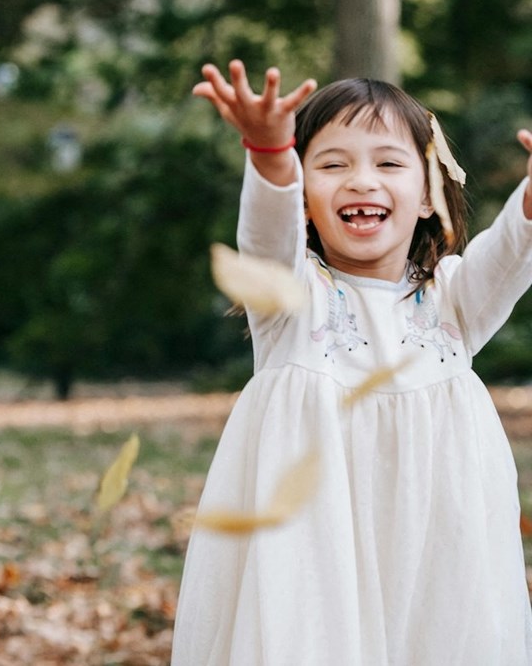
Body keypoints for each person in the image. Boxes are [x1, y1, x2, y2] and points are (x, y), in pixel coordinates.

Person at [172, 59, 532, 665]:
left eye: (389, 163)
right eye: (333, 164)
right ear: (306, 201)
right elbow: (265, 233)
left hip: (435, 555)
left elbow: (510, 250)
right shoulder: (290, 297)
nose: (362, 180)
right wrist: (268, 152)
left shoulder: (455, 298)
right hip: (314, 551)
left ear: (427, 196)